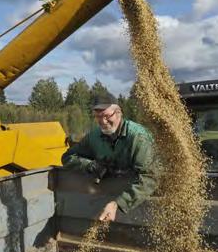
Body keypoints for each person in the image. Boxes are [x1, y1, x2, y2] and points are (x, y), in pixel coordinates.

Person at [61, 93, 156, 222]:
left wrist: (119, 203)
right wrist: (90, 165)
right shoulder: (94, 136)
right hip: (106, 192)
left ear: (119, 113)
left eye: (106, 116)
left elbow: (150, 177)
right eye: (98, 117)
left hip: (137, 196)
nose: (102, 121)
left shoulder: (138, 137)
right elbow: (67, 157)